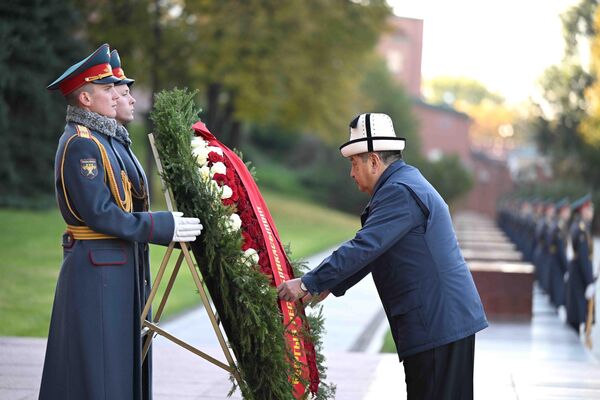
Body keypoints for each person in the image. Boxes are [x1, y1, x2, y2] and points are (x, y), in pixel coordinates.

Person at [277, 113, 488, 400]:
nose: (351, 173)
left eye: (354, 163)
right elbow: (377, 250)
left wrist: (308, 283)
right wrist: (328, 284)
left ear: (374, 161)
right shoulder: (404, 182)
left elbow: (365, 246)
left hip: (437, 323)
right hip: (444, 322)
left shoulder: (399, 191)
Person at [39, 44, 203, 400]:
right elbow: (99, 213)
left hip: (117, 265)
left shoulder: (107, 139)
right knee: (99, 370)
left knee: (117, 366)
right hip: (99, 268)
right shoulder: (83, 143)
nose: (115, 96)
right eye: (107, 90)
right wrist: (160, 226)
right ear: (85, 98)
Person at [565, 194, 596, 336]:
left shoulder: (579, 227)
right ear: (583, 210)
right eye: (590, 209)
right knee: (576, 319)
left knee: (575, 317)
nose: (592, 212)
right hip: (578, 279)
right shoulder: (581, 230)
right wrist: (589, 282)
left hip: (576, 276)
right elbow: (584, 259)